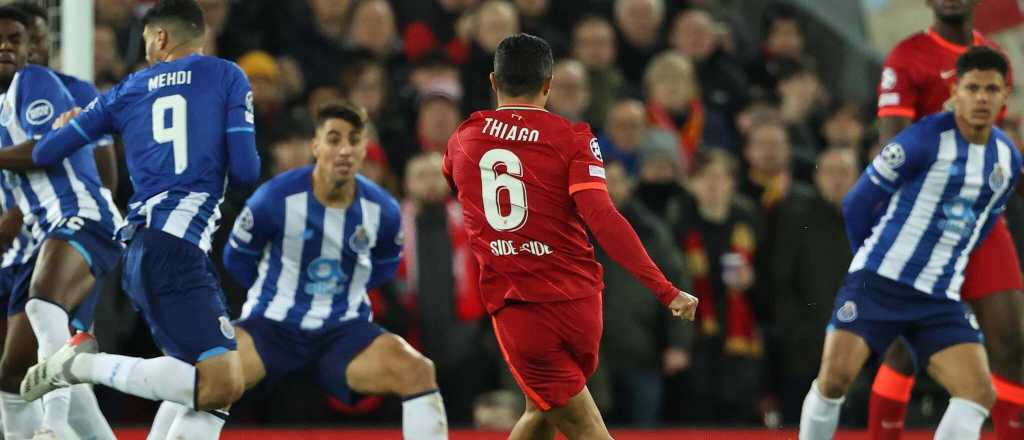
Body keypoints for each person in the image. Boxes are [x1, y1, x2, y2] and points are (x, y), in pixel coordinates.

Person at [19, 1, 260, 438]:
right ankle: (81, 365)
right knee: (222, 383)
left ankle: (84, 366)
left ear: (161, 37)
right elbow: (245, 170)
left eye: (147, 39)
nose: (146, 49)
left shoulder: (128, 88)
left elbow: (46, 151)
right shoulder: (226, 75)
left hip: (142, 249)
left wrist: (71, 121)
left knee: (197, 380)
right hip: (177, 246)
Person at [443, 33, 697, 439]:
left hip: (523, 309)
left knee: (588, 432)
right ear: (548, 84)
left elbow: (455, 183)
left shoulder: (464, 138)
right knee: (540, 413)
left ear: (493, 81)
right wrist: (665, 290)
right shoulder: (573, 138)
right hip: (581, 307)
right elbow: (604, 219)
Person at [799, 46, 1020, 440]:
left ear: (1005, 95)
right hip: (878, 283)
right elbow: (857, 203)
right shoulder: (923, 140)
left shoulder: (1007, 158)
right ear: (955, 92)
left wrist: (952, 264)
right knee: (834, 380)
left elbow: (985, 220)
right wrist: (870, 263)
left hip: (937, 297)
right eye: (973, 88)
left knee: (977, 393)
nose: (982, 98)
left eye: (991, 89)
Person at [218, 103, 449, 440]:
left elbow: (384, 266)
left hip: (342, 333)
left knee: (417, 371)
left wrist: (340, 296)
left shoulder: (382, 209)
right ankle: (127, 372)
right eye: (334, 139)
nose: (345, 149)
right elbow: (237, 260)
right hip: (273, 327)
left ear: (364, 148)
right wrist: (281, 291)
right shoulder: (274, 198)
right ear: (315, 145)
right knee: (208, 380)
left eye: (354, 140)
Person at [872, 1, 1024, 438]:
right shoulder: (906, 57)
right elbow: (894, 148)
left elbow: (993, 139)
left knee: (1011, 342)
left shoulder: (996, 56)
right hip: (923, 221)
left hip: (982, 218)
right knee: (903, 348)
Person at [0, 6, 123, 439]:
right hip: (37, 238)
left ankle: (51, 428)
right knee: (13, 374)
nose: (7, 47)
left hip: (79, 216)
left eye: (16, 39)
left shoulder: (35, 83)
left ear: (32, 49)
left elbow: (44, 148)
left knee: (42, 306)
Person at [770, 147, 857, 424]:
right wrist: (797, 333)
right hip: (803, 352)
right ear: (817, 178)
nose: (836, 180)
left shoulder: (869, 221)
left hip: (855, 349)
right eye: (829, 172)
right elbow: (780, 282)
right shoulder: (796, 219)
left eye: (844, 172)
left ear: (857, 177)